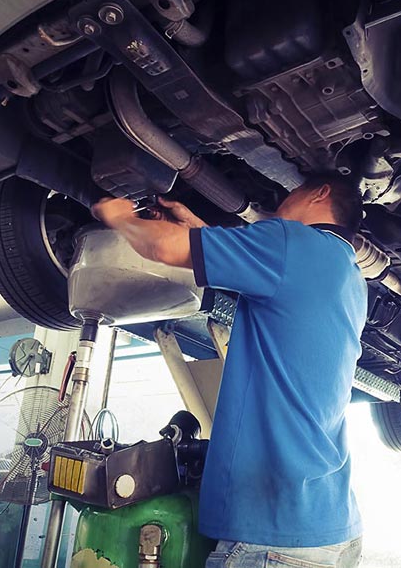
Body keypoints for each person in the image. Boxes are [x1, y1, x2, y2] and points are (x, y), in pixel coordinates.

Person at [92, 174, 367, 568]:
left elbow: (161, 245)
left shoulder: (292, 241)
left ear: (320, 193)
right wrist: (199, 230)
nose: (280, 205)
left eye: (291, 193)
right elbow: (266, 275)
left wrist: (118, 217)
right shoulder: (348, 274)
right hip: (332, 528)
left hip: (273, 535)